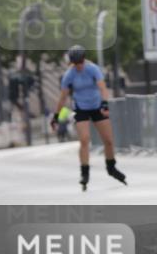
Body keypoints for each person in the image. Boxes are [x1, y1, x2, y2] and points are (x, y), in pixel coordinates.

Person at [51, 45, 127, 191]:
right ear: (72, 62)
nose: (78, 66)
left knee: (109, 140)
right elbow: (62, 97)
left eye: (80, 62)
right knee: (84, 140)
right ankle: (84, 173)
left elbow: (103, 88)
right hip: (81, 108)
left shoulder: (93, 69)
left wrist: (105, 104)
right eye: (75, 63)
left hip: (97, 106)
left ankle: (111, 168)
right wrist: (56, 116)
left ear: (84, 59)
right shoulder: (69, 75)